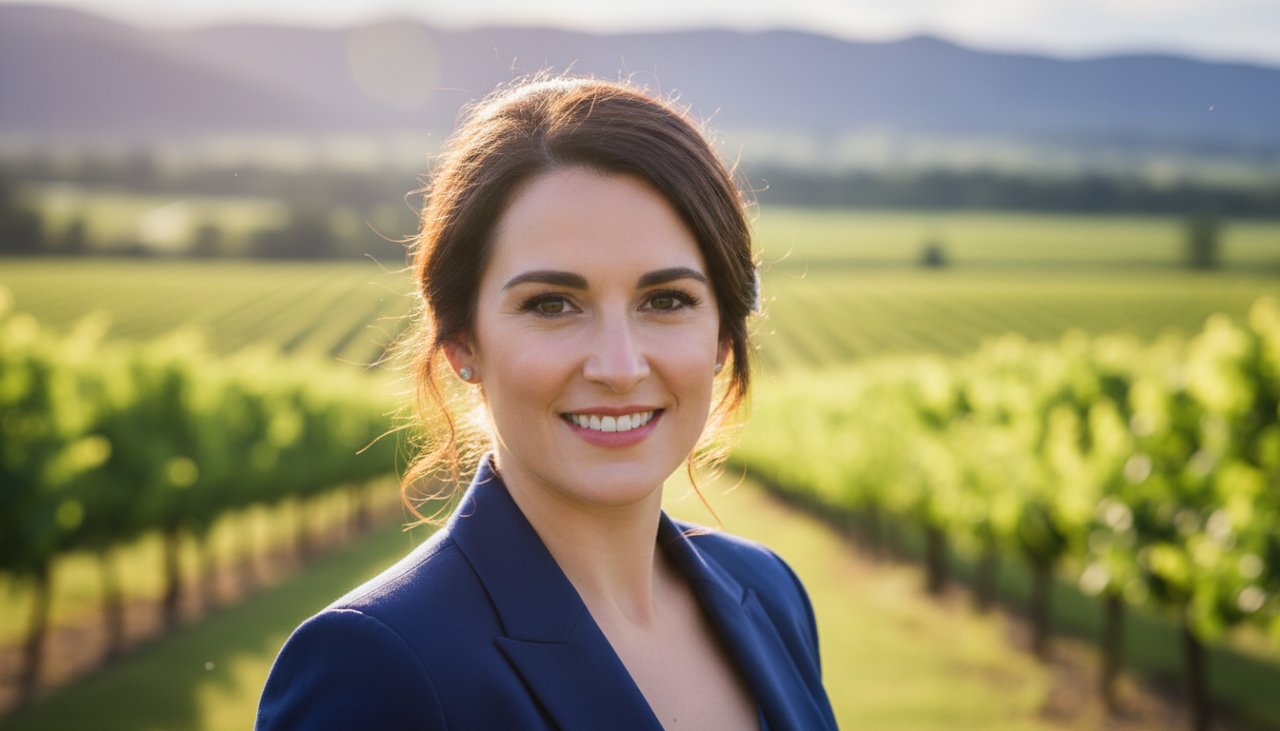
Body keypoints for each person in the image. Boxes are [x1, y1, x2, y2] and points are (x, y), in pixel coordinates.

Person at [256, 76, 837, 731]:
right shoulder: (373, 665)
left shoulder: (768, 593)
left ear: (723, 336)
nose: (619, 368)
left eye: (666, 300)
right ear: (460, 341)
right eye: (551, 304)